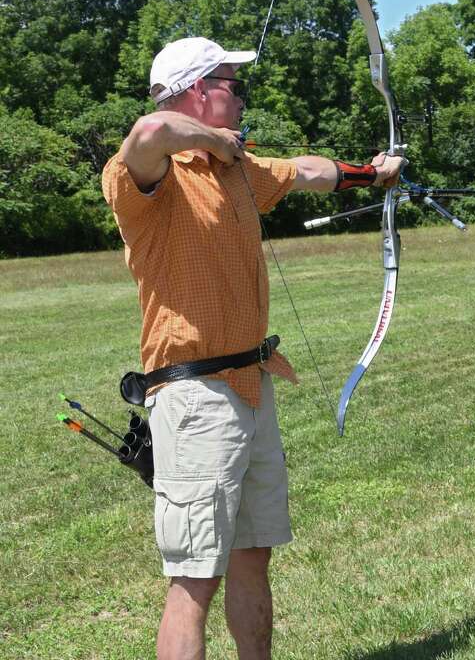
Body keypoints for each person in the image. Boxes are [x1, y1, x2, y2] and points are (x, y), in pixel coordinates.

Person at [101, 36, 405, 660]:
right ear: (199, 91)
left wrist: (370, 173)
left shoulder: (237, 170)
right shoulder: (145, 177)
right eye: (233, 86)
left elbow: (306, 171)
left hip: (250, 386)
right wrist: (211, 141)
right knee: (194, 577)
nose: (242, 98)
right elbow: (149, 129)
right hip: (193, 398)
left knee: (250, 558)